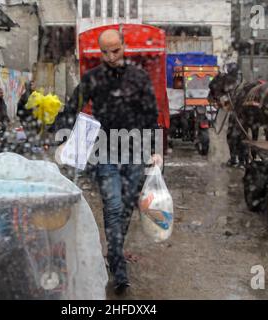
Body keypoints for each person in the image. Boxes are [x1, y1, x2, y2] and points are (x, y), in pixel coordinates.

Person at [57, 29, 163, 295]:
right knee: (113, 207)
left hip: (135, 153)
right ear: (100, 51)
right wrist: (62, 139)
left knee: (126, 209)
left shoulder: (139, 77)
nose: (110, 56)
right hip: (104, 153)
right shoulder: (93, 78)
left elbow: (151, 114)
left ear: (124, 47)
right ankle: (119, 268)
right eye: (105, 51)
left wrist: (155, 149)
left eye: (115, 50)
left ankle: (114, 251)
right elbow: (73, 108)